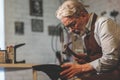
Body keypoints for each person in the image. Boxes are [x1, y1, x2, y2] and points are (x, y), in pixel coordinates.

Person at [56, 0, 120, 79]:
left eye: (72, 24)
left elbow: (111, 60)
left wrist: (81, 68)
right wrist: (88, 58)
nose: (71, 30)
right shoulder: (85, 31)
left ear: (82, 15)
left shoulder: (103, 24)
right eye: (68, 27)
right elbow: (100, 55)